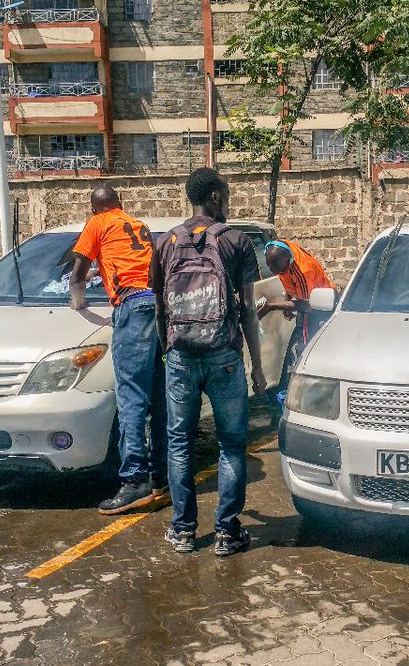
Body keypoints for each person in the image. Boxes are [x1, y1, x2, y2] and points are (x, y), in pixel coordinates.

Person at [151, 168, 267, 556]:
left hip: (181, 356)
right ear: (215, 197)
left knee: (179, 443)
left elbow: (160, 308)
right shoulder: (236, 240)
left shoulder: (166, 242)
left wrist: (168, 352)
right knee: (231, 444)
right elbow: (247, 307)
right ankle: (227, 533)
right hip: (225, 357)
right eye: (226, 195)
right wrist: (257, 366)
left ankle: (183, 531)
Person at [70, 187, 168, 515]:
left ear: (94, 208)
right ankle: (160, 477)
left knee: (131, 398)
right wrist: (103, 271)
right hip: (157, 306)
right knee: (158, 396)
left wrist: (78, 301)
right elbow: (137, 264)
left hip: (132, 308)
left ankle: (134, 481)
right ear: (120, 204)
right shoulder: (138, 226)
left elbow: (77, 273)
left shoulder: (97, 223)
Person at [257, 239, 336, 406]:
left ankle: (311, 397)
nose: (273, 271)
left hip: (319, 307)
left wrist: (271, 306)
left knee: (307, 348)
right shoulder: (281, 250)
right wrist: (287, 299)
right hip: (307, 300)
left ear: (289, 261)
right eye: (270, 267)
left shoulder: (304, 271)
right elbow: (287, 280)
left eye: (277, 269)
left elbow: (308, 306)